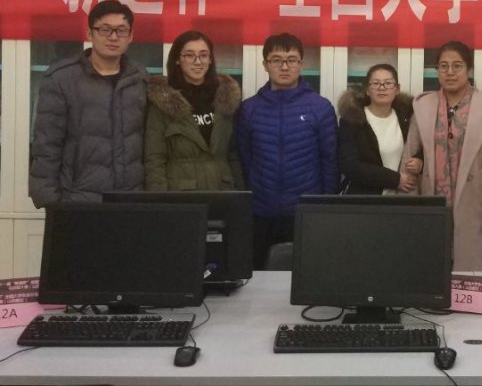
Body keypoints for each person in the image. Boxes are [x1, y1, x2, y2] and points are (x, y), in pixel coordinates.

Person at [401, 40, 482, 271]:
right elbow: (409, 157)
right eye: (443, 66)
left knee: (472, 273)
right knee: (430, 269)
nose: (450, 72)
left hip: (476, 203)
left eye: (457, 66)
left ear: (468, 69)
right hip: (432, 201)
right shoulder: (423, 107)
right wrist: (410, 202)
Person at [29, 0, 147, 207]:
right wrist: (51, 201)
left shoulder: (140, 79)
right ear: (89, 33)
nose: (113, 37)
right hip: (77, 201)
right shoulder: (62, 79)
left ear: (130, 36)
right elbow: (46, 146)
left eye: (121, 30)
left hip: (129, 201)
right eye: (105, 29)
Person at [236, 32, 338, 269]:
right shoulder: (249, 109)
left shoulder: (320, 108)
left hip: (304, 212)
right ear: (265, 64)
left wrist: (324, 208)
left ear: (301, 64)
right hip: (260, 212)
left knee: (305, 277)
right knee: (257, 278)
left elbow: (330, 163)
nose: (284, 67)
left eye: (291, 60)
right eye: (276, 60)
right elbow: (243, 160)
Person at [144, 30, 243, 191]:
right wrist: (160, 199)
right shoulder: (163, 100)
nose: (198, 62)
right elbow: (154, 158)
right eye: (190, 55)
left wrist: (239, 192)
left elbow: (233, 154)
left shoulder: (224, 97)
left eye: (203, 55)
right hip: (182, 194)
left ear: (210, 59)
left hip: (222, 190)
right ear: (177, 59)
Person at [337, 63, 422, 194]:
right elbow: (350, 165)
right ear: (367, 90)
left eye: (388, 83)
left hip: (401, 198)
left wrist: (420, 161)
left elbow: (425, 146)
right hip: (364, 198)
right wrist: (395, 180)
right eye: (375, 83)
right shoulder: (351, 120)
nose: (382, 88)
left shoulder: (408, 116)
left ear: (397, 89)